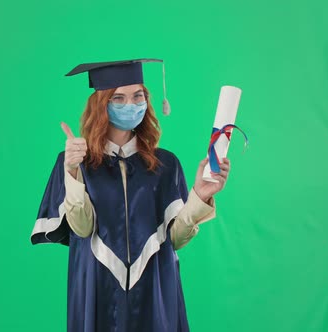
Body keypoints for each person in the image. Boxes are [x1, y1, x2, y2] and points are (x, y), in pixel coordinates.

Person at [30, 59, 232, 332]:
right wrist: (73, 171)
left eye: (138, 96)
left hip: (155, 283)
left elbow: (176, 239)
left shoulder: (165, 164)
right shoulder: (76, 162)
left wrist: (199, 196)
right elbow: (82, 228)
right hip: (97, 283)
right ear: (101, 105)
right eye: (119, 98)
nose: (130, 105)